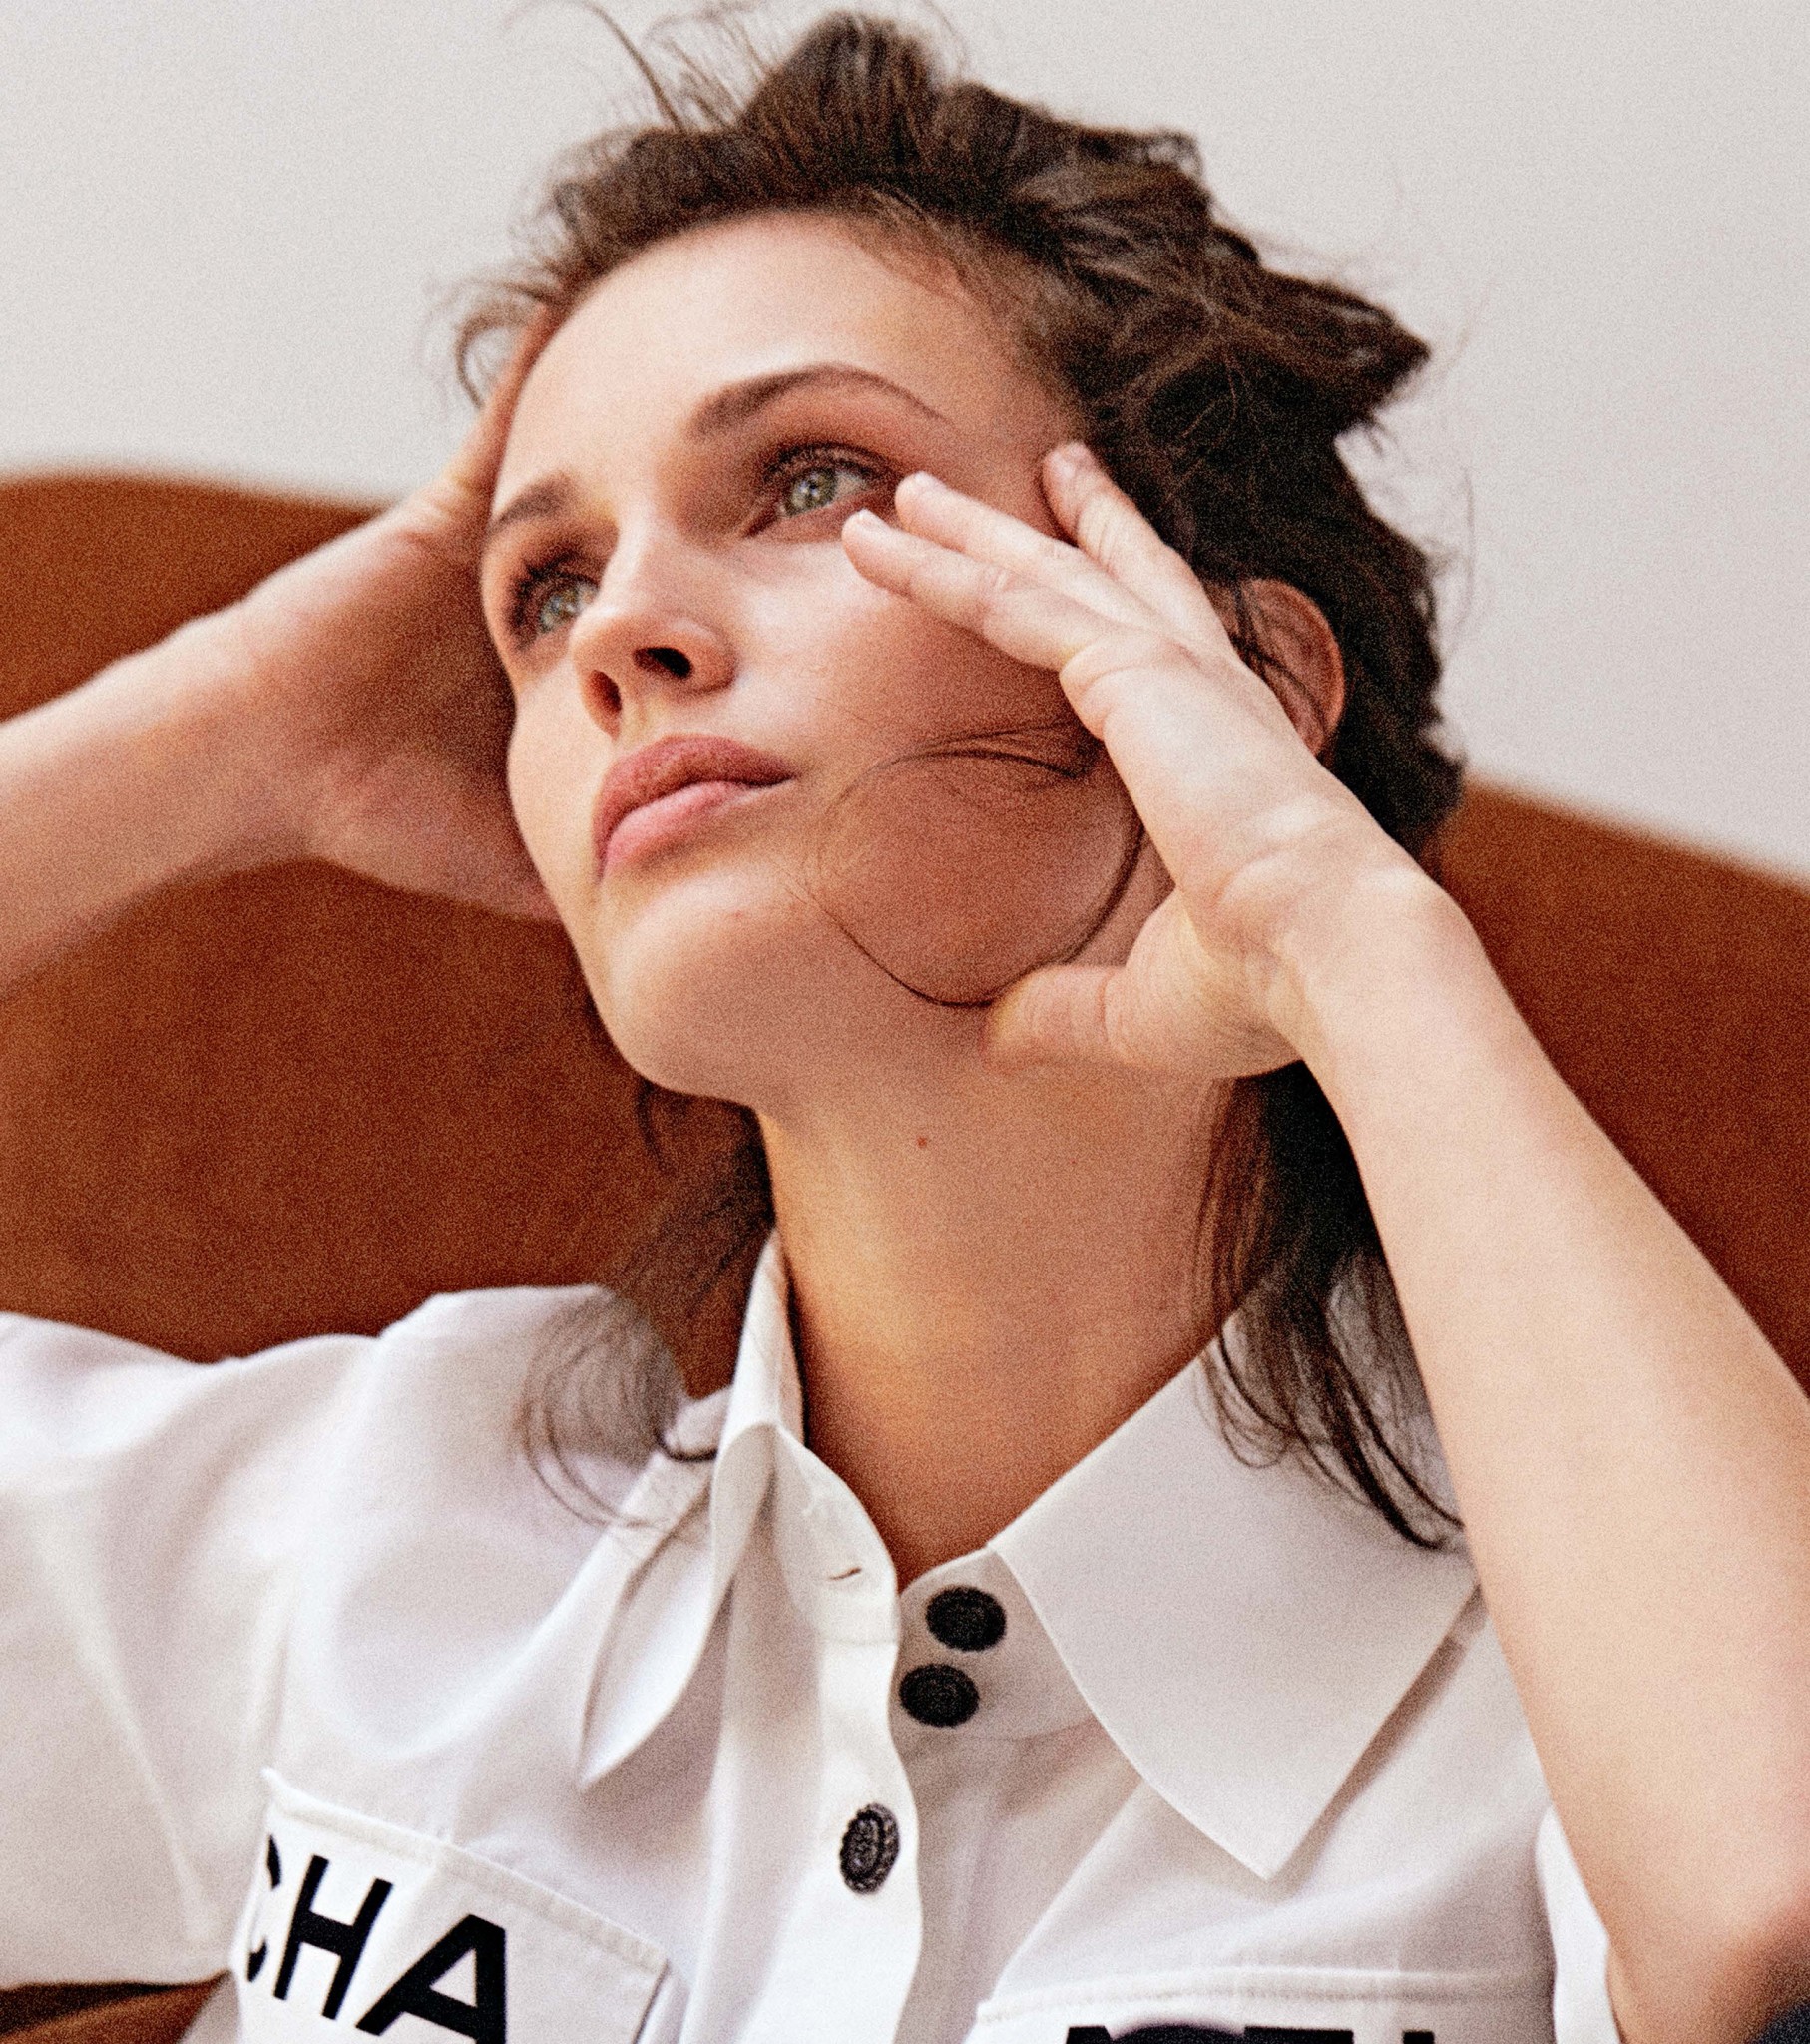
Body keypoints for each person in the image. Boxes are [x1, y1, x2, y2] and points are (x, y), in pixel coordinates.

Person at [2, 14, 1808, 2044]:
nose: (617, 637)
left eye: (811, 480)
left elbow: (1768, 1923)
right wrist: (215, 732)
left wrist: (1350, 936)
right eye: (544, 586)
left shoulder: (1583, 1704)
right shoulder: (394, 1538)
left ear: (1233, 673)